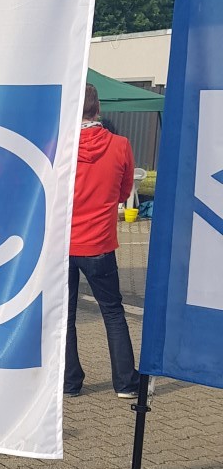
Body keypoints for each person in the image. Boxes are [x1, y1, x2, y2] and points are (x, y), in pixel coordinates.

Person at [65, 83, 140, 399]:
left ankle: (70, 383)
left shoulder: (62, 145)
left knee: (65, 315)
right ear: (99, 109)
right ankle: (125, 383)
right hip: (99, 244)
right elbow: (124, 192)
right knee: (112, 312)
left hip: (63, 245)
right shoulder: (120, 145)